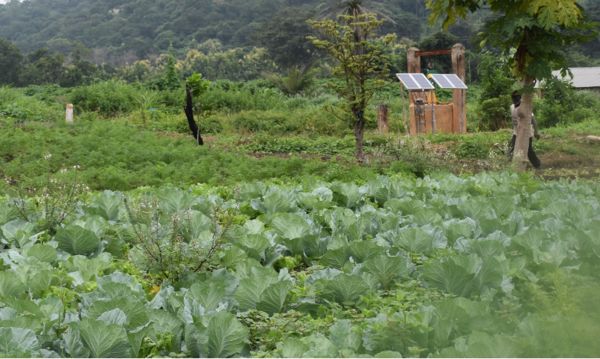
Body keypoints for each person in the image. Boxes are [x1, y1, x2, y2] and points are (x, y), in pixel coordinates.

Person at [509, 90, 541, 169]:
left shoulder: (524, 107)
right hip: (516, 132)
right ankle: (511, 165)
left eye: (516, 98)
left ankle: (537, 165)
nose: (514, 100)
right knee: (510, 148)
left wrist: (536, 132)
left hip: (526, 133)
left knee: (529, 150)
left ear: (520, 98)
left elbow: (533, 120)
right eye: (513, 98)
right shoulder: (512, 107)